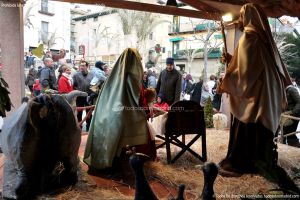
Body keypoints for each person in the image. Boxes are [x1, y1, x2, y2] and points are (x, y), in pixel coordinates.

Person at [217, 3, 293, 180]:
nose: (241, 20)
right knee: (260, 132)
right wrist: (232, 59)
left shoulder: (249, 38)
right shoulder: (263, 40)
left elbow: (244, 75)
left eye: (243, 16)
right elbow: (252, 65)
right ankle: (263, 162)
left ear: (249, 17)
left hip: (255, 98)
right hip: (268, 97)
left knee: (246, 127)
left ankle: (243, 163)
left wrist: (226, 79)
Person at [84, 48, 156, 171]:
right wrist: (146, 99)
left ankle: (113, 162)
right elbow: (135, 96)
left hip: (106, 113)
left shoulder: (115, 75)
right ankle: (122, 163)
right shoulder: (132, 76)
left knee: (113, 139)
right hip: (121, 114)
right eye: (138, 60)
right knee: (131, 132)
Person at [73, 61, 94, 131]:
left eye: (83, 65)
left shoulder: (92, 75)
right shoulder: (76, 75)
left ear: (87, 66)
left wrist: (92, 93)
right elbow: (74, 85)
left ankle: (88, 127)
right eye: (81, 65)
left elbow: (95, 85)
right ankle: (79, 128)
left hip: (89, 96)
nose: (81, 67)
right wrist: (78, 91)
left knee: (89, 112)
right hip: (79, 97)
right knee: (79, 113)